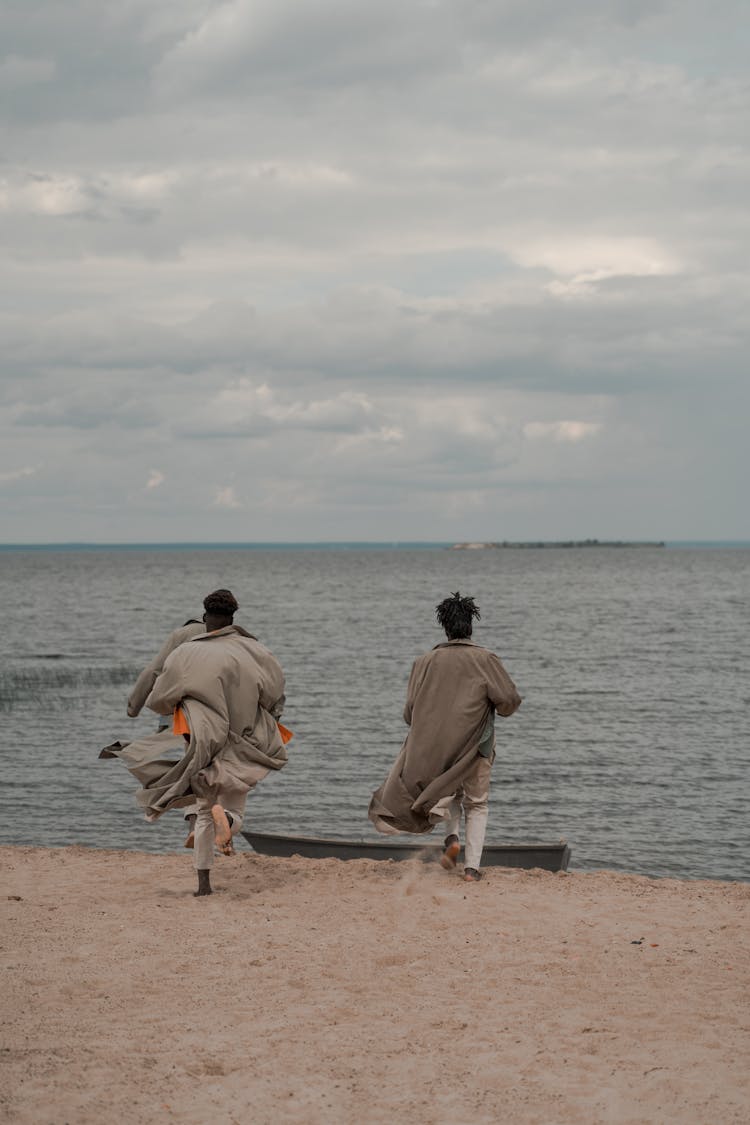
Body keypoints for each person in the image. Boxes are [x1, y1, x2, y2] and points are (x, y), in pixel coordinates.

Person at [102, 589, 289, 896]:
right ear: (233, 618)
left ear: (205, 618)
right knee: (234, 806)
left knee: (203, 811)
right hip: (242, 740)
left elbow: (160, 700)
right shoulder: (257, 651)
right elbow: (273, 695)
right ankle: (227, 820)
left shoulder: (185, 653)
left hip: (200, 740)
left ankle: (204, 886)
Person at [368, 591, 521, 882]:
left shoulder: (423, 662)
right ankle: (472, 869)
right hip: (478, 746)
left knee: (449, 791)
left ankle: (452, 838)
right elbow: (508, 703)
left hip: (437, 749)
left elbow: (409, 713)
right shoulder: (485, 659)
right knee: (477, 803)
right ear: (470, 626)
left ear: (445, 627)